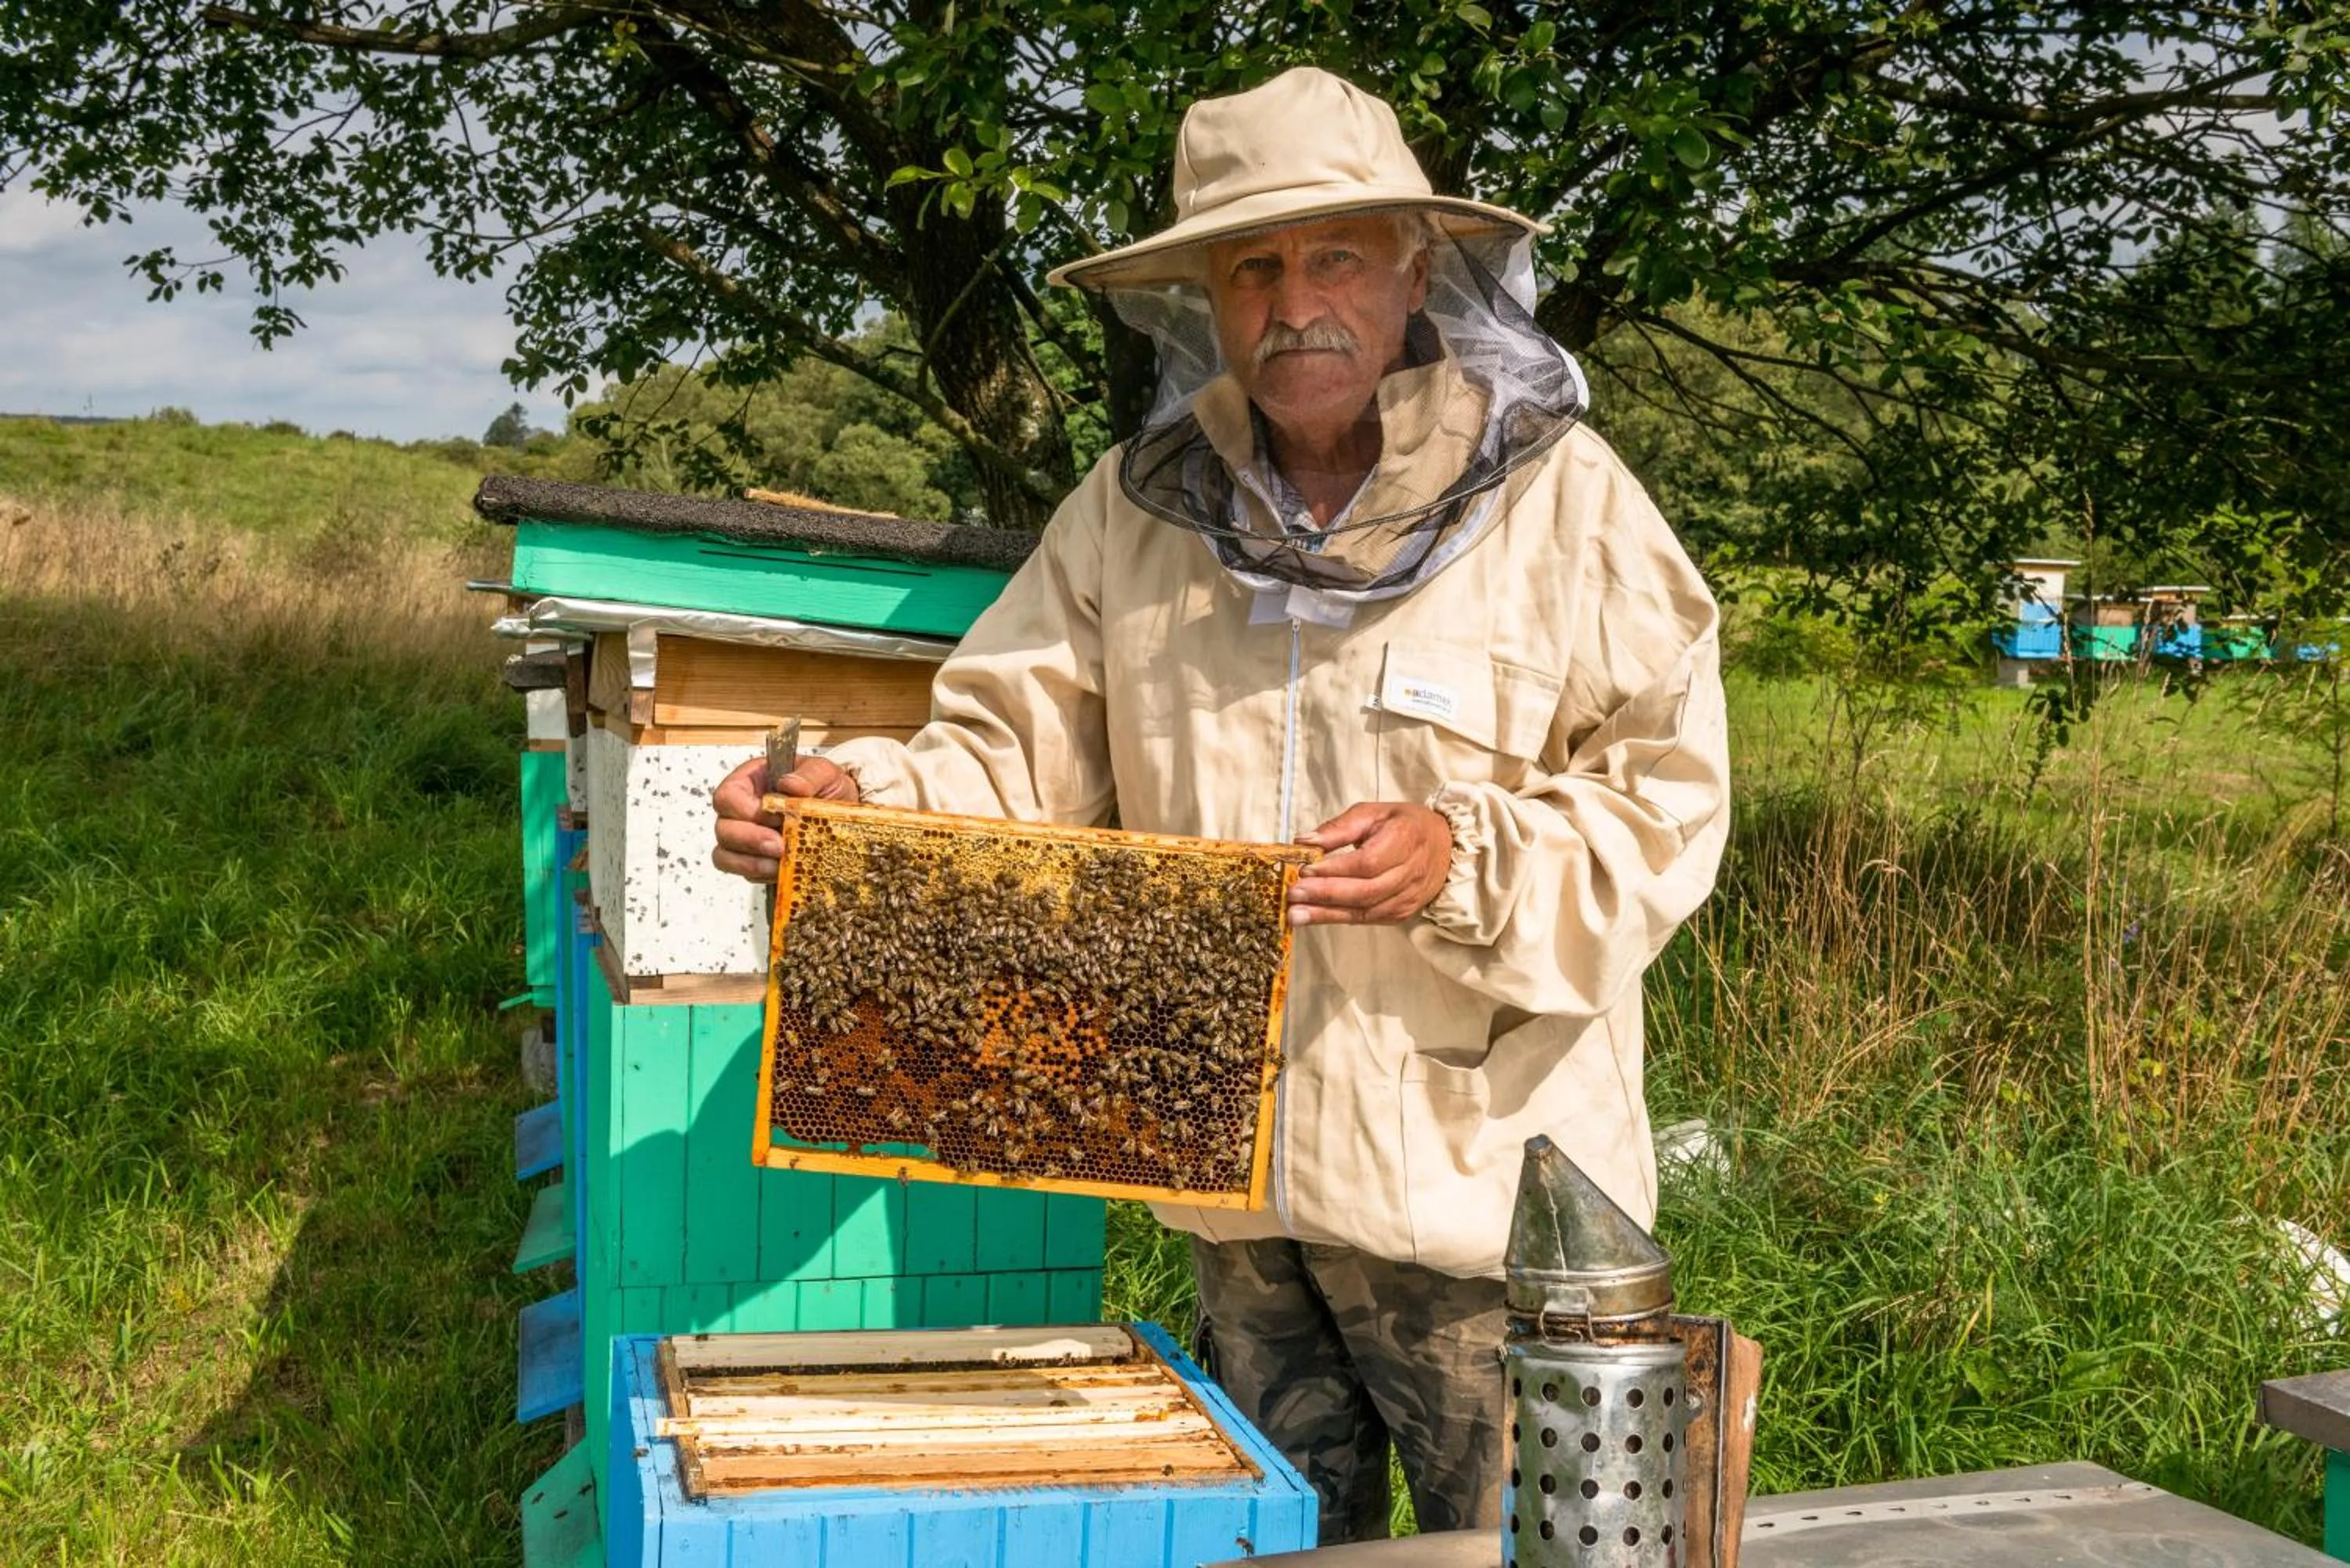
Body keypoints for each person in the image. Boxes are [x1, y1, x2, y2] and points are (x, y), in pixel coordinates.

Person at [711, 66, 1729, 1545]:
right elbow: (1012, 748)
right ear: (1204, 292)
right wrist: (847, 811)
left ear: (1413, 269)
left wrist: (1466, 855)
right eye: (1253, 262)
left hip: (1484, 1197)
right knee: (1281, 1545)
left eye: (1333, 254)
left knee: (1501, 1550)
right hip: (1232, 1197)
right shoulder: (1133, 510)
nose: (1292, 298)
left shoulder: (1565, 502)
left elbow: (1667, 799)